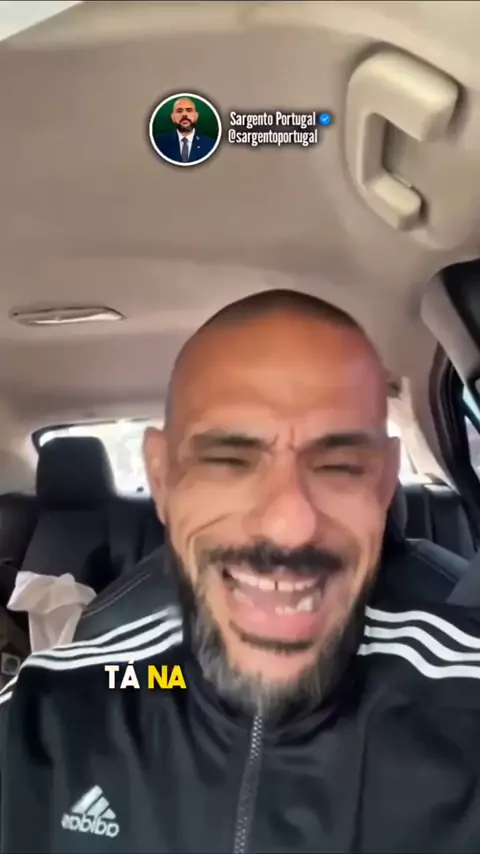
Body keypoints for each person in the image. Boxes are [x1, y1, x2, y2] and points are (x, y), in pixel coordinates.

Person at [1, 288, 480, 853]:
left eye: (340, 465)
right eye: (230, 461)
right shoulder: (50, 712)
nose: (289, 527)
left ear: (382, 484)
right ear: (162, 480)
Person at [154, 96, 216, 164]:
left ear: (196, 116)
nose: (184, 114)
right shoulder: (158, 144)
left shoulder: (210, 145)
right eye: (179, 111)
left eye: (189, 110)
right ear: (173, 117)